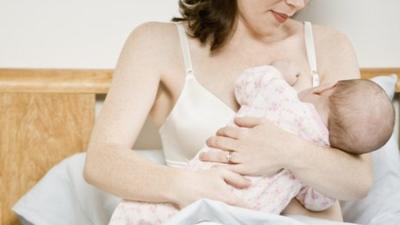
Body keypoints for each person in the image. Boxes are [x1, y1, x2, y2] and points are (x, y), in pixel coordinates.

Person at [83, 0, 374, 222]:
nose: (298, 3)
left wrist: (286, 150)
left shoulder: (327, 46)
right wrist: (186, 186)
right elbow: (101, 160)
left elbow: (359, 181)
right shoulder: (156, 43)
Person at [106, 62, 394, 225]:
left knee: (146, 214)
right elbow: (318, 202)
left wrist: (279, 72)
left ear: (323, 88)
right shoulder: (320, 159)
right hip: (247, 216)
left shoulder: (281, 96)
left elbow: (249, 82)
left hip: (203, 187)